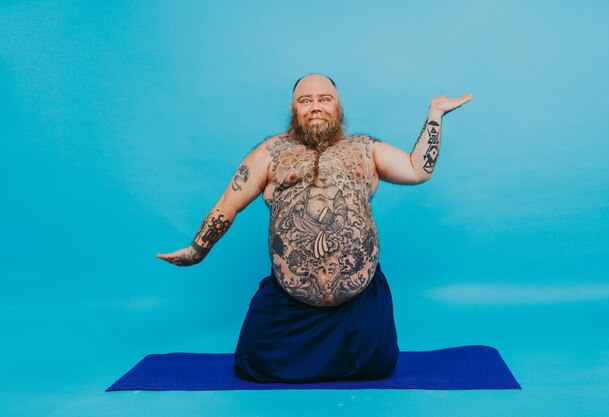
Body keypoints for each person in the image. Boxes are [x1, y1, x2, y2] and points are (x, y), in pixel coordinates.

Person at [156, 74, 473, 383]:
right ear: (294, 109)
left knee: (381, 366)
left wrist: (435, 116)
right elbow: (229, 202)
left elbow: (418, 170)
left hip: (359, 301)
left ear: (338, 107)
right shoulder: (271, 153)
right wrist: (198, 250)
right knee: (252, 366)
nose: (315, 106)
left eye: (324, 99)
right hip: (289, 303)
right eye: (305, 100)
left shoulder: (365, 149)